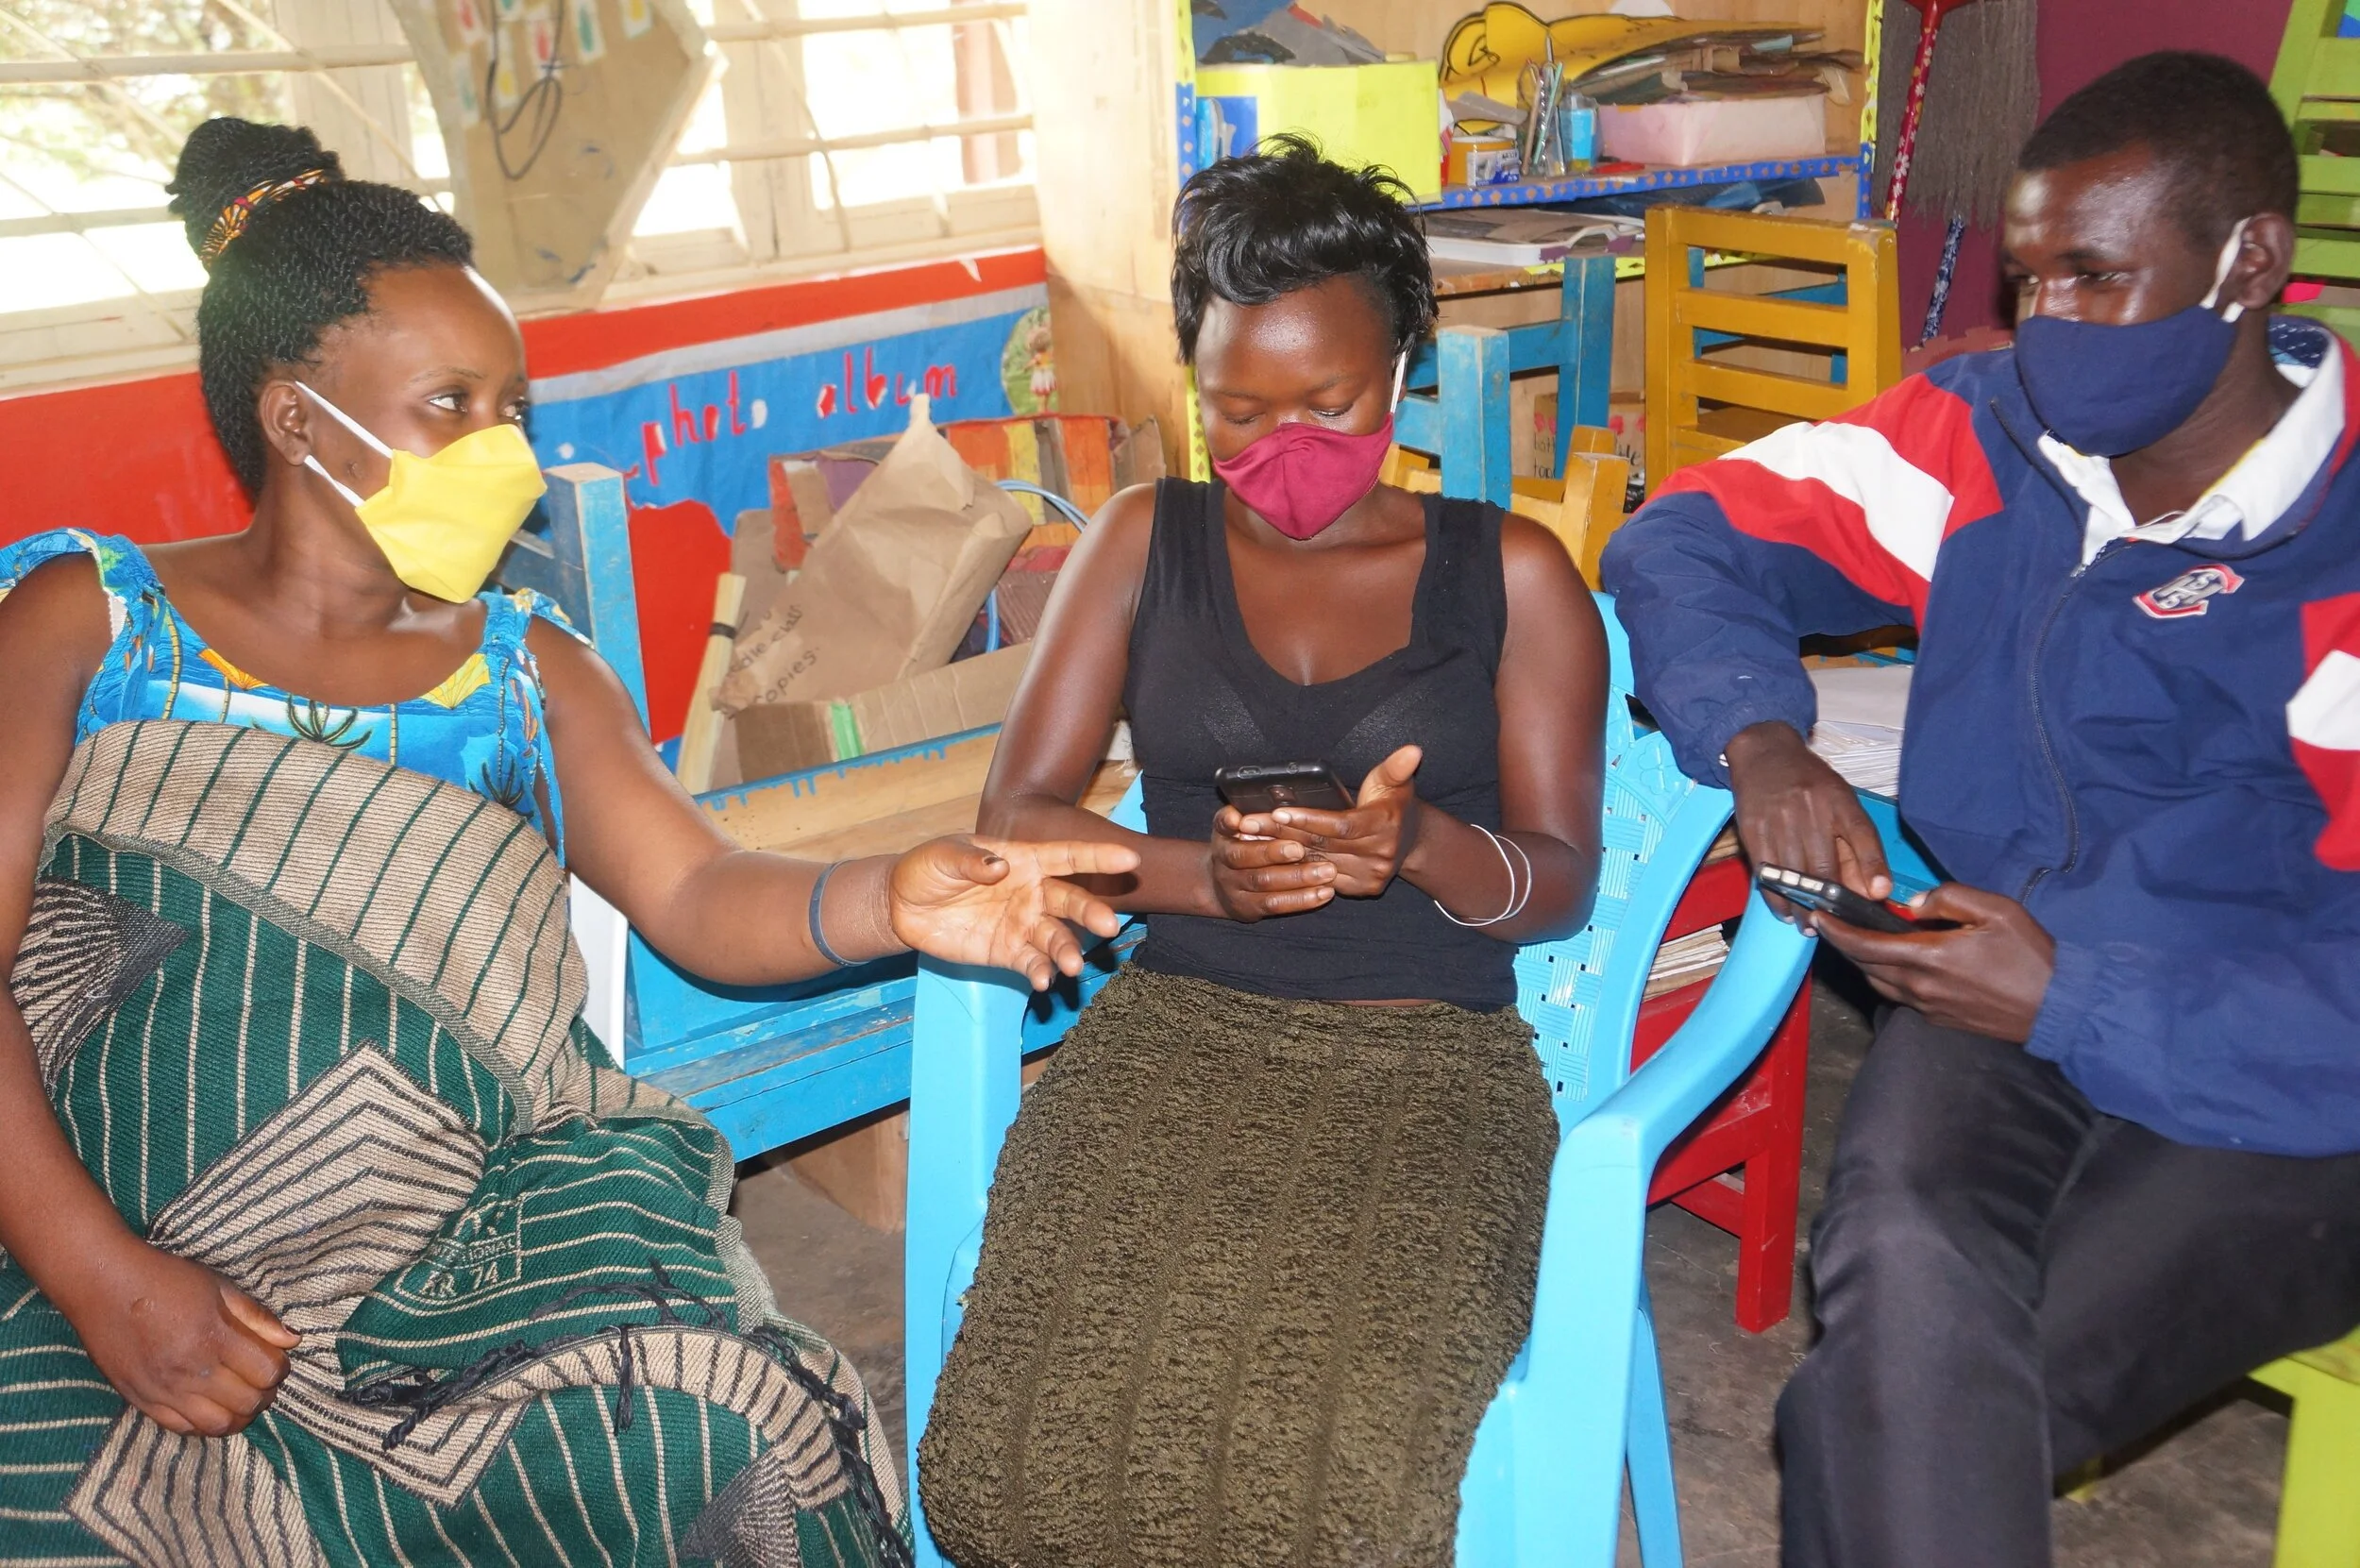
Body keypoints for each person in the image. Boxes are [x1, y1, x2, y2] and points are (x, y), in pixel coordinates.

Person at [0, 118, 1136, 1565]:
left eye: (515, 410)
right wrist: (100, 1277)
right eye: (452, 406)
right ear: (297, 419)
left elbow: (705, 891)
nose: (506, 453)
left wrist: (889, 896)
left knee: (711, 1438)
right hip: (107, 1224)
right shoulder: (92, 625)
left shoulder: (527, 676)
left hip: (460, 1229)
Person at [1600, 52, 2360, 1568]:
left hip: (2293, 1058)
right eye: (2029, 281)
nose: (2045, 328)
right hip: (2003, 969)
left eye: (2095, 277)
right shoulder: (1990, 433)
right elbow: (1685, 534)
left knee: (1905, 1403)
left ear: (2250, 264)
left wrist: (2080, 998)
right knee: (1903, 1274)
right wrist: (1764, 738)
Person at [913, 136, 1608, 1568]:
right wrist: (1201, 879)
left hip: (1431, 1074)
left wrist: (1418, 844)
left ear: (1403, 367)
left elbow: (1560, 884)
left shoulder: (1514, 573)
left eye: (1327, 401)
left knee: (1321, 1498)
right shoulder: (1137, 543)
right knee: (1002, 1475)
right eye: (1237, 409)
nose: (1281, 444)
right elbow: (1018, 817)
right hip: (1177, 1040)